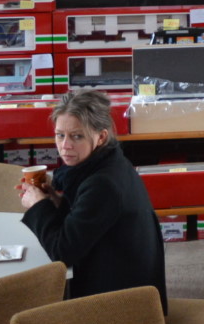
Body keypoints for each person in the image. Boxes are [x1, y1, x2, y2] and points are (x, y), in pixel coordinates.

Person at [19, 89, 167, 308]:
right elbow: (88, 219)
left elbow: (62, 253)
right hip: (128, 286)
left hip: (121, 306)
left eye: (77, 136)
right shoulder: (107, 163)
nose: (65, 145)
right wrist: (54, 201)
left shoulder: (102, 184)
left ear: (101, 137)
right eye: (60, 135)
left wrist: (39, 206)